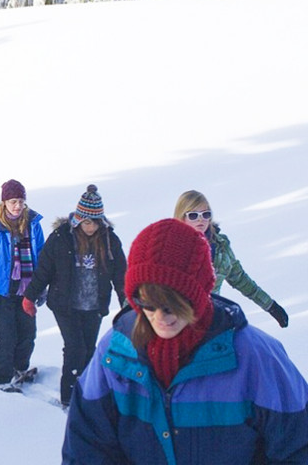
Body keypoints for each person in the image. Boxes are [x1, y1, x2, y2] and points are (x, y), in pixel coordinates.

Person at [62, 219, 308, 464]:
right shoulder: (115, 353)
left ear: (200, 293)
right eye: (147, 302)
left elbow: (298, 448)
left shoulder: (256, 357)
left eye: (172, 304)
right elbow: (86, 448)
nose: (160, 317)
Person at [22, 185, 126, 407]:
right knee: (75, 348)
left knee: (89, 350)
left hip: (94, 305)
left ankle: (87, 394)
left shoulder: (109, 240)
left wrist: (127, 303)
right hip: (65, 304)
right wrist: (30, 296)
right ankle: (68, 398)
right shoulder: (61, 238)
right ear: (78, 219)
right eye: (87, 222)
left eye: (96, 222)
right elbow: (44, 270)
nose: (91, 227)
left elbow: (120, 275)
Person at [174, 190, 289, 327]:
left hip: (211, 319)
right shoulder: (173, 248)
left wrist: (270, 306)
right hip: (179, 322)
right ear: (182, 217)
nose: (201, 219)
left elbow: (240, 279)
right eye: (193, 215)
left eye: (206, 214)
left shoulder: (221, 247)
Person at [0, 179, 45, 391]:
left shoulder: (33, 224)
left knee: (27, 333)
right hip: (1, 291)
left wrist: (42, 286)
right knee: (6, 336)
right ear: (4, 202)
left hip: (27, 289)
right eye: (13, 201)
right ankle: (1, 378)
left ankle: (19, 368)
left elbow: (42, 256)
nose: (18, 206)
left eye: (21, 201)